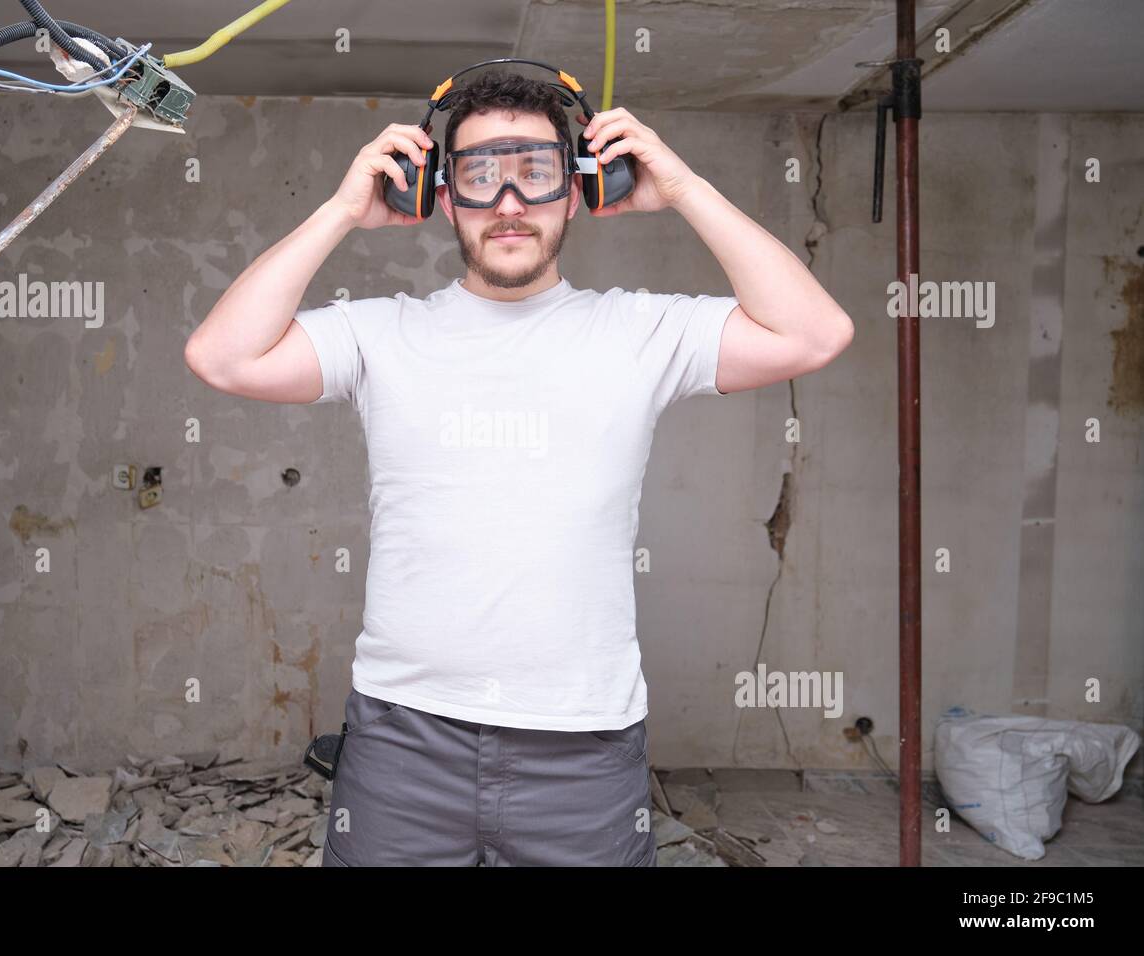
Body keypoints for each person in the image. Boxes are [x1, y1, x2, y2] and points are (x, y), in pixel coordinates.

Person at [184, 70, 854, 866]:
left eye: (535, 172)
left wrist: (683, 186)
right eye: (479, 174)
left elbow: (815, 334)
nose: (508, 201)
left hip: (583, 746)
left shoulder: (640, 330)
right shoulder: (381, 335)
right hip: (404, 739)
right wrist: (339, 212)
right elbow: (220, 356)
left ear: (579, 192)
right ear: (439, 196)